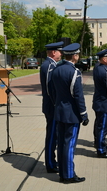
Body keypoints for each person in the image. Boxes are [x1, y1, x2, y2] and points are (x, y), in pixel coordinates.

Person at [51, 43, 89, 184]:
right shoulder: (74, 72)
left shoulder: (56, 70)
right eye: (78, 55)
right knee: (69, 145)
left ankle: (63, 172)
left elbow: (53, 92)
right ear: (74, 56)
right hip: (71, 114)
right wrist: (84, 114)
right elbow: (78, 95)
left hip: (59, 112)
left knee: (61, 143)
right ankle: (68, 175)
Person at [40, 41, 64, 173]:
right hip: (52, 106)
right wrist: (56, 104)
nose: (61, 54)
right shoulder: (49, 66)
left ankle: (52, 161)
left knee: (54, 135)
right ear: (54, 52)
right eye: (60, 51)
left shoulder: (51, 64)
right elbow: (50, 89)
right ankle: (50, 163)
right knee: (52, 136)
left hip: (52, 106)